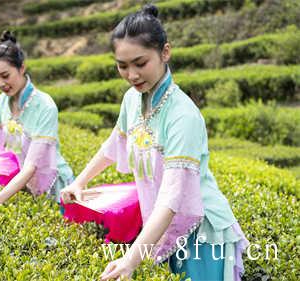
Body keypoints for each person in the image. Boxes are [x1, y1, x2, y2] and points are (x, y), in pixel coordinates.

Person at [60, 5, 249, 281]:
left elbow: (173, 199)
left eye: (140, 63)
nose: (132, 75)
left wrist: (130, 260)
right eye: (122, 66)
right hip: (160, 223)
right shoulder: (132, 100)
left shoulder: (183, 116)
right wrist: (80, 181)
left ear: (165, 52)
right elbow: (115, 144)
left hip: (200, 230)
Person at [0, 30, 74, 212]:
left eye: (5, 76)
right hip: (24, 183)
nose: (1, 84)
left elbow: (32, 166)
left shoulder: (45, 106)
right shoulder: (4, 100)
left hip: (53, 185)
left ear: (22, 68)